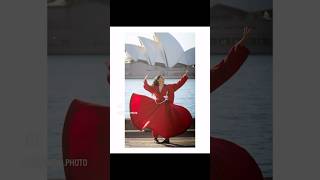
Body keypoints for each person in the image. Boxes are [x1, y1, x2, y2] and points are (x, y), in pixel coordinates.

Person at [129, 70, 192, 144]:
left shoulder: (170, 87)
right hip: (157, 108)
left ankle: (167, 138)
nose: (162, 79)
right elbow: (146, 87)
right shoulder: (154, 88)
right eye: (160, 78)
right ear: (158, 80)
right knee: (156, 122)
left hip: (167, 108)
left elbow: (179, 84)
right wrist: (145, 81)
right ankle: (155, 138)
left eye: (163, 78)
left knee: (167, 123)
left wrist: (185, 76)